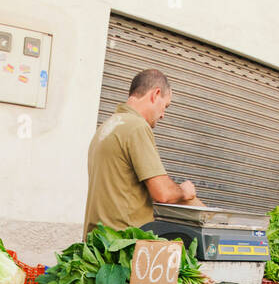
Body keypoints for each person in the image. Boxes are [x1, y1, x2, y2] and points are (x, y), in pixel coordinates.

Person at [83, 68, 197, 233]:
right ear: (155, 94)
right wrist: (184, 191)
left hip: (98, 243)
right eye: (165, 106)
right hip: (123, 245)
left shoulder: (108, 126)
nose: (163, 114)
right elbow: (163, 193)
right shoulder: (137, 127)